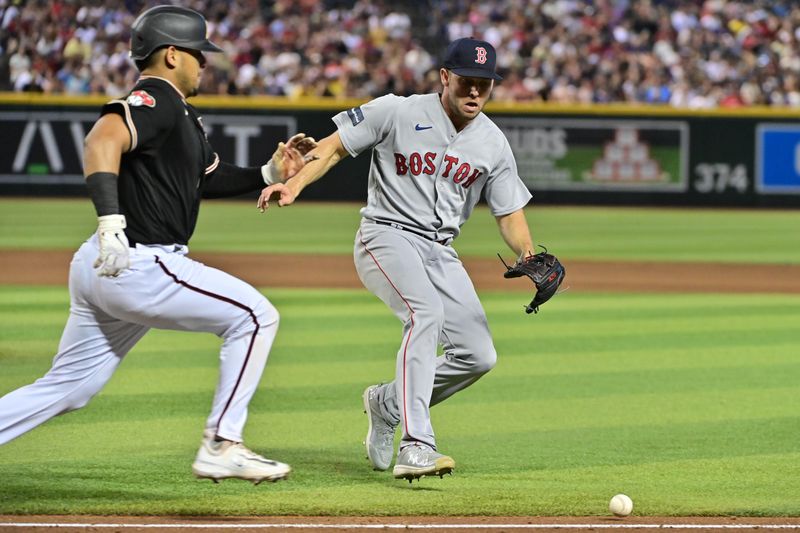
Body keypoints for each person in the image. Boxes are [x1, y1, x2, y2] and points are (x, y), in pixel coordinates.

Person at [0, 5, 317, 484]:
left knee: (69, 387)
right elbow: (99, 141)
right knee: (255, 315)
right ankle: (221, 444)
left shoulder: (181, 113)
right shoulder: (157, 98)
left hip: (103, 265)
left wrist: (268, 175)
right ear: (171, 54)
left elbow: (207, 179)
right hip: (137, 261)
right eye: (197, 54)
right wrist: (110, 219)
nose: (204, 63)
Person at [257, 37, 536, 482]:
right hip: (385, 234)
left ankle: (387, 404)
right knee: (424, 314)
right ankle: (418, 445)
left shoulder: (493, 143)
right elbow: (332, 146)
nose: (474, 93)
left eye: (484, 85)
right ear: (445, 77)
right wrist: (295, 185)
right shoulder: (398, 111)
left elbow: (509, 212)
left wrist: (527, 250)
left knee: (478, 354)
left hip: (440, 250)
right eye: (466, 82)